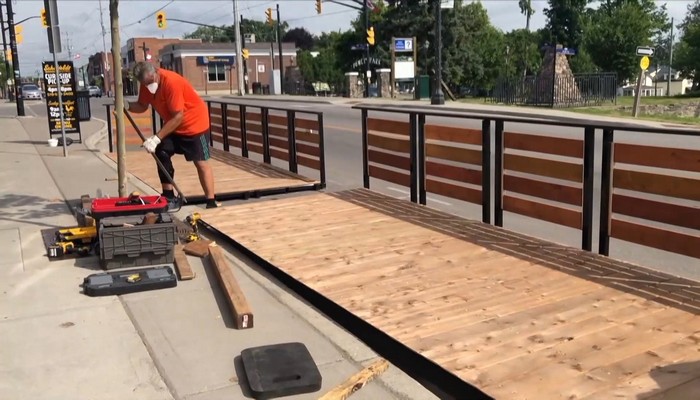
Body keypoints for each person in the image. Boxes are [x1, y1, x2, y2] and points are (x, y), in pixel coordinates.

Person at [125, 61, 220, 209]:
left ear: (155, 72)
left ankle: (211, 200)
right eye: (145, 84)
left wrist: (156, 138)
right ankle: (168, 195)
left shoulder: (171, 82)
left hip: (194, 124)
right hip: (174, 126)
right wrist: (127, 105)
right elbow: (142, 106)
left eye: (151, 82)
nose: (149, 87)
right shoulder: (146, 86)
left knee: (200, 162)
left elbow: (178, 116)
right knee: (161, 151)